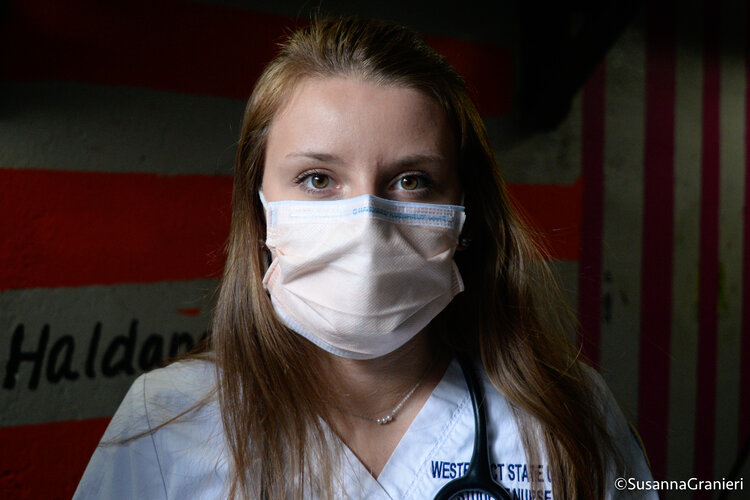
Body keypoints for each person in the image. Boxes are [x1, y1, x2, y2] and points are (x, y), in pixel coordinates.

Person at [75, 17, 654, 499]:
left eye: (411, 178)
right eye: (318, 178)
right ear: (260, 209)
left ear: (464, 212)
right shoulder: (168, 421)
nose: (367, 222)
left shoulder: (565, 415)